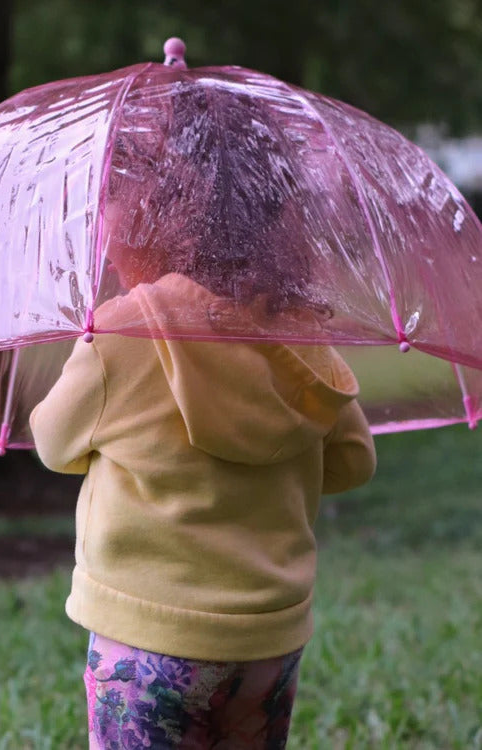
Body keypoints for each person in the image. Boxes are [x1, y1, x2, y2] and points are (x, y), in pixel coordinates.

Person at [29, 83, 377, 749]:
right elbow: (355, 462)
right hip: (268, 641)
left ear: (154, 213)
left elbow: (52, 441)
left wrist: (92, 348)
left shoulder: (125, 335)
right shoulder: (302, 334)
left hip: (148, 641)